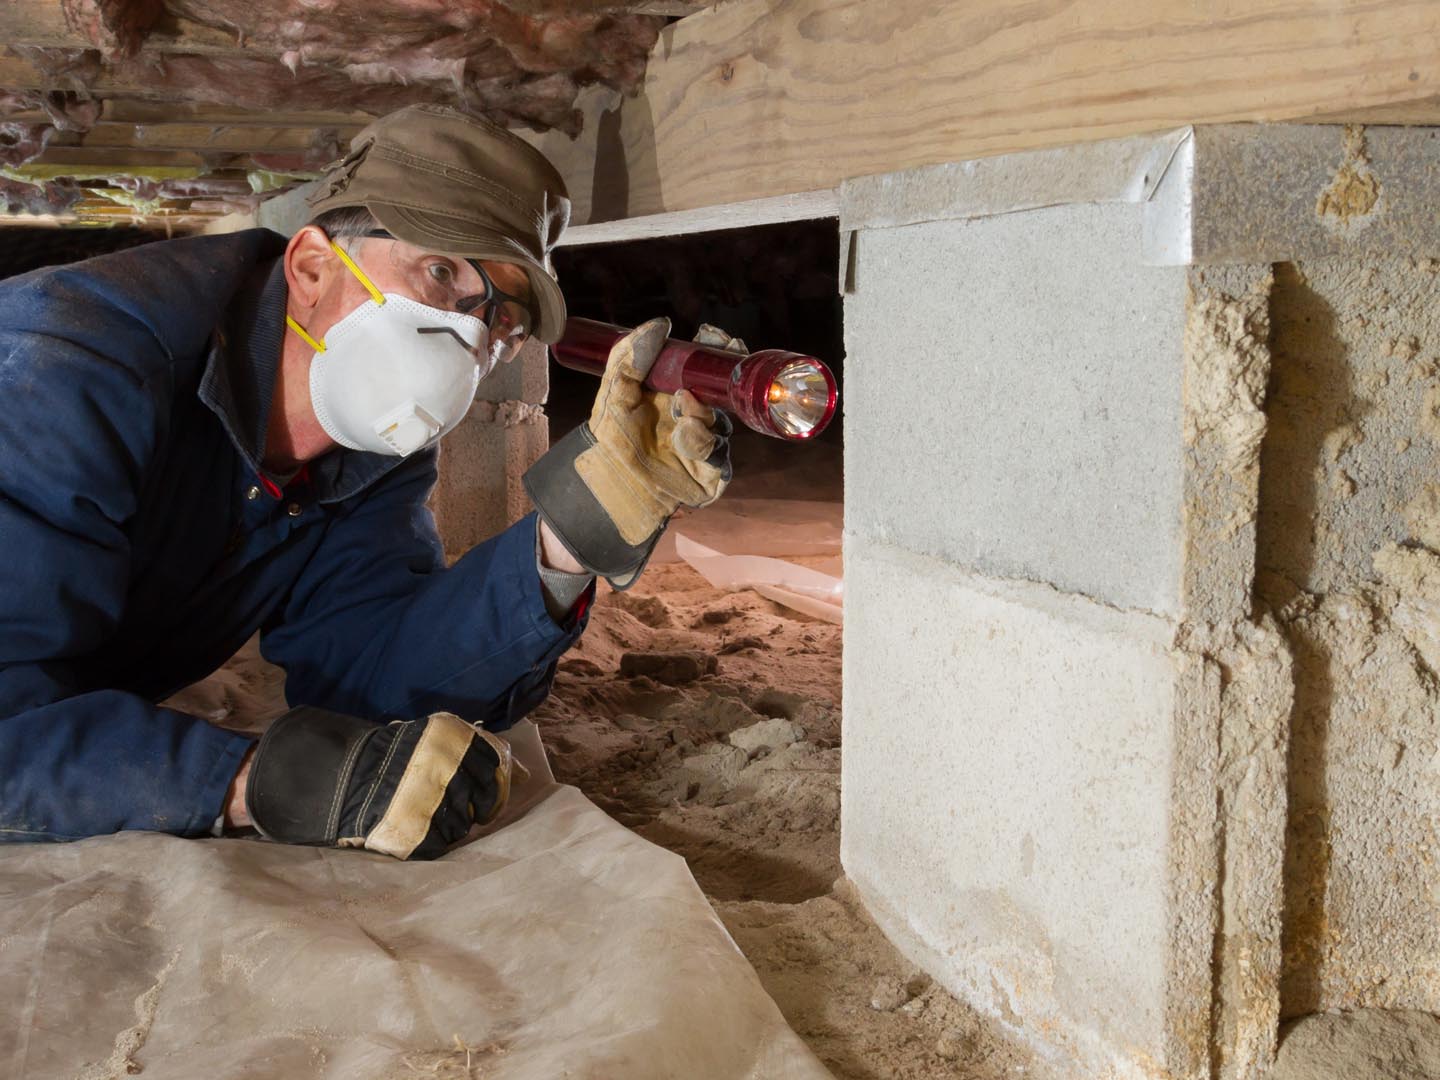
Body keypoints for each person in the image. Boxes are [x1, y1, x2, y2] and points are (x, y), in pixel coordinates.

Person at [0, 104, 730, 860]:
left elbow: (376, 675)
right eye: (442, 272)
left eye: (500, 318)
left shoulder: (368, 452)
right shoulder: (67, 373)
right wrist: (252, 781)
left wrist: (570, 538)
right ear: (312, 268)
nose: (471, 337)